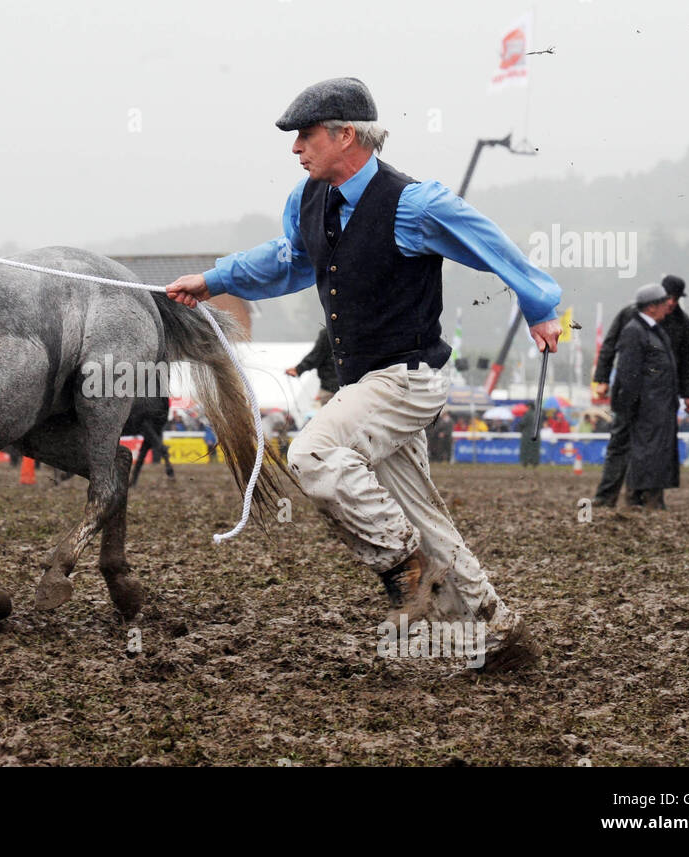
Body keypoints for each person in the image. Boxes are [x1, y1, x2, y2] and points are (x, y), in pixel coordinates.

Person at [166, 77, 561, 671]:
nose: (295, 148)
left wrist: (540, 306)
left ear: (345, 134)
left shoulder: (414, 203)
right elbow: (289, 261)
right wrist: (215, 279)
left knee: (313, 456)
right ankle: (497, 631)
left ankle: (403, 566)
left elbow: (492, 246)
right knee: (425, 514)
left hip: (408, 379)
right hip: (364, 384)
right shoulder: (309, 201)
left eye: (305, 135)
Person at [592, 274, 689, 506]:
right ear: (656, 301)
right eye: (668, 298)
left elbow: (686, 359)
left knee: (655, 448)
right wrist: (602, 378)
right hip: (636, 397)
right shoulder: (631, 318)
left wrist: (688, 392)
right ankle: (606, 496)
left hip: (660, 398)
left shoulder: (681, 322)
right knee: (622, 445)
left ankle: (646, 497)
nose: (671, 304)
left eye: (676, 299)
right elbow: (610, 346)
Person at [609, 283, 680, 509]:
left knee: (655, 454)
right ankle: (637, 499)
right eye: (662, 303)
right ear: (651, 308)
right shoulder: (634, 331)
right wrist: (632, 406)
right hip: (645, 407)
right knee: (645, 454)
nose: (666, 307)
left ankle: (652, 499)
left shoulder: (653, 331)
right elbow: (628, 374)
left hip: (658, 406)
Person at [287, 326, 339, 406]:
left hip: (330, 389)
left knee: (330, 416)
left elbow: (316, 356)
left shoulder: (329, 332)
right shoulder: (355, 329)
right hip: (353, 388)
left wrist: (298, 369)